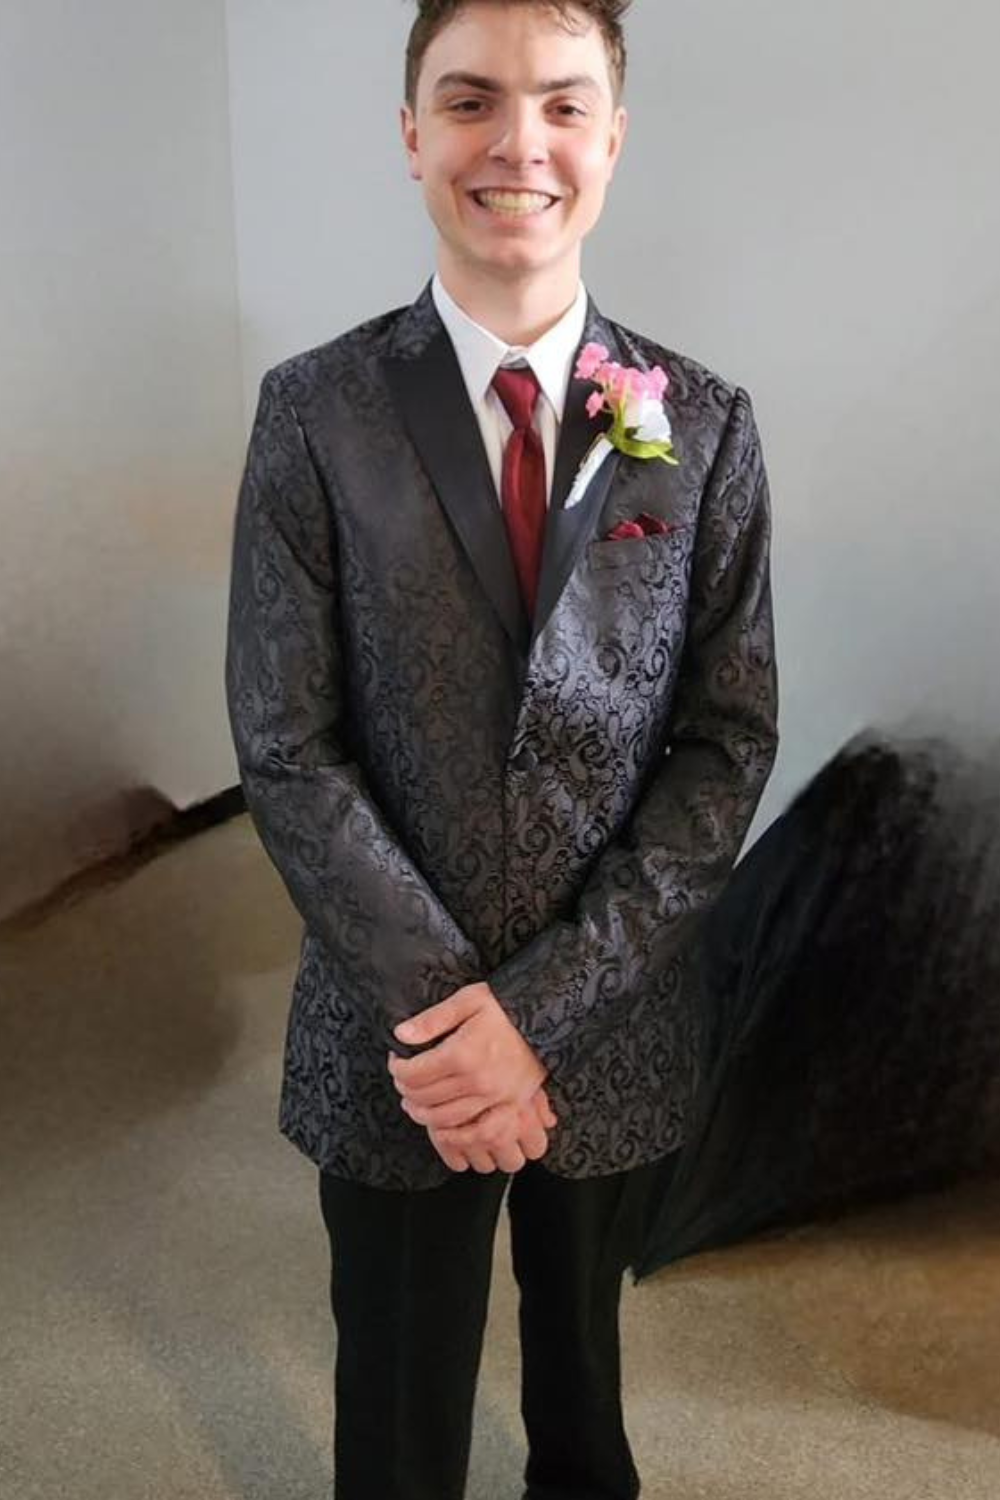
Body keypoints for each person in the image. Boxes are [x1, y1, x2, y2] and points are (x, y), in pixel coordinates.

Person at [224, 1, 778, 1496]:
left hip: (611, 1017)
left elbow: (725, 742)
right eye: (471, 101)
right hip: (395, 1037)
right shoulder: (314, 414)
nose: (517, 143)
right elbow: (285, 742)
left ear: (613, 138)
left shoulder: (703, 427)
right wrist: (455, 1023)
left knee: (586, 1410)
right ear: (412, 135)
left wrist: (538, 1015)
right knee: (399, 1414)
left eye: (561, 104)